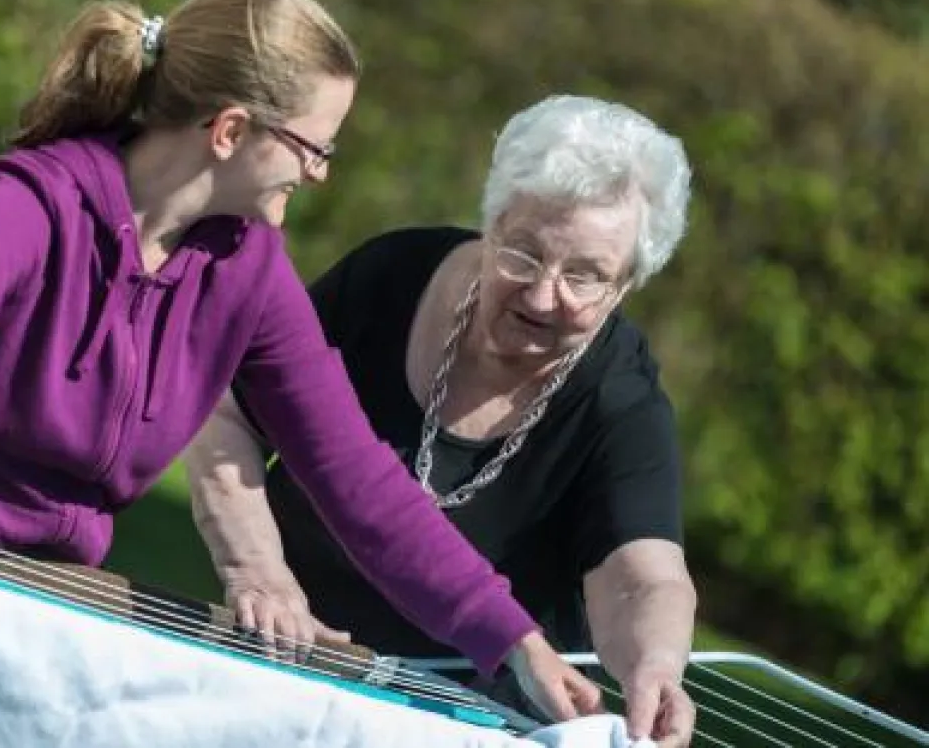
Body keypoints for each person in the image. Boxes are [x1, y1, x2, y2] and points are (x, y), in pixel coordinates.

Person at [0, 0, 600, 725]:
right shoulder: (37, 199)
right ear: (232, 131)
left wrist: (514, 640)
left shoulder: (249, 270)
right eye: (314, 149)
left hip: (16, 608)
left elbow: (360, 481)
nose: (319, 177)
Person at [184, 95, 700, 746]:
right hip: (274, 661)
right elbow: (225, 412)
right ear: (492, 222)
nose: (543, 295)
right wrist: (258, 572)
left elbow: (642, 576)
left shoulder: (622, 402)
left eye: (585, 277)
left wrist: (655, 667)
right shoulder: (389, 276)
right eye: (523, 254)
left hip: (463, 723)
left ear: (625, 284)